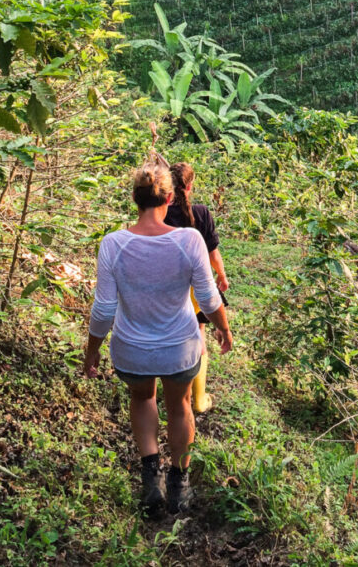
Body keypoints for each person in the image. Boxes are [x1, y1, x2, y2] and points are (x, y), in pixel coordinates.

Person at [84, 160, 233, 516]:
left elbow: (103, 309)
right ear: (169, 198)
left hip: (132, 350)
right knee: (180, 405)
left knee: (142, 398)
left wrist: (91, 351)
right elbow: (209, 298)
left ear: (134, 198)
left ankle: (152, 479)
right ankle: (179, 483)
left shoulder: (113, 244)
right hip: (179, 349)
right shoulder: (188, 240)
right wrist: (224, 329)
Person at [165, 163, 229, 414]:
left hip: (168, 286)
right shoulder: (201, 213)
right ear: (190, 186)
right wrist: (221, 275)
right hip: (196, 287)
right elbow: (213, 253)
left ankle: (173, 387)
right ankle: (199, 399)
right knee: (198, 333)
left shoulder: (160, 213)